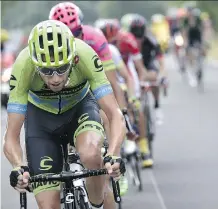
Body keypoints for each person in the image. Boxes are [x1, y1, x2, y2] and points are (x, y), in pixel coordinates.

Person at [3, 20, 126, 209]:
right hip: (42, 121)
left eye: (62, 69)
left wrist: (113, 155)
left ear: (73, 59)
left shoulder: (84, 54)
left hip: (80, 108)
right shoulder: (23, 66)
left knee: (92, 154)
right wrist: (18, 167)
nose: (55, 78)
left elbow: (114, 113)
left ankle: (97, 205)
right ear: (35, 64)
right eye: (46, 71)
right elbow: (11, 136)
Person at [95, 18, 155, 168]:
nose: (110, 44)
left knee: (135, 108)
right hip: (103, 82)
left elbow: (134, 72)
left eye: (114, 41)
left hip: (124, 75)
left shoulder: (123, 44)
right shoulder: (94, 48)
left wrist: (134, 94)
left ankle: (143, 147)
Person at [123, 13, 167, 126]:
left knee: (154, 78)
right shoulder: (126, 41)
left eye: (140, 35)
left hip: (148, 65)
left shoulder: (151, 41)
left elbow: (161, 61)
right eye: (134, 34)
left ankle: (157, 106)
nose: (137, 39)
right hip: (133, 67)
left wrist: (162, 76)